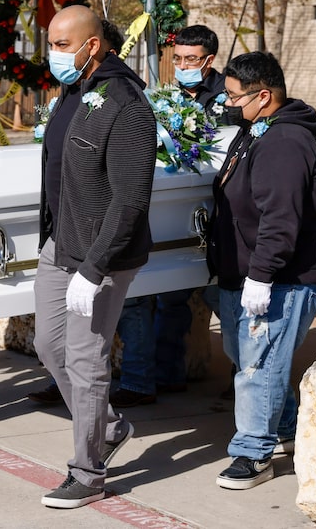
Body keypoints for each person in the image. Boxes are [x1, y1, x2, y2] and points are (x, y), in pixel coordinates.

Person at [33, 5, 157, 509]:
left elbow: (131, 196)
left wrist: (95, 267)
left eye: (63, 45)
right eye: (51, 43)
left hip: (99, 258)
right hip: (59, 245)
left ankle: (88, 472)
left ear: (92, 45)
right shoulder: (74, 91)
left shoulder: (126, 103)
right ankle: (107, 426)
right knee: (49, 346)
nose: (53, 54)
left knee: (86, 362)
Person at [208, 51, 316, 490]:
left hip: (281, 277)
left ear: (263, 96)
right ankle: (284, 428)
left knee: (258, 366)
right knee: (244, 356)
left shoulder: (284, 143)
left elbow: (280, 218)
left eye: (233, 97)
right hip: (244, 271)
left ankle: (253, 453)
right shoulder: (255, 131)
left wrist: (262, 274)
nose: (227, 104)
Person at [109, 24, 226, 409]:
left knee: (218, 301)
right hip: (171, 210)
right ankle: (161, 374)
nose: (182, 66)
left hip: (217, 214)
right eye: (177, 59)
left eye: (190, 60)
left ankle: (240, 375)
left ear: (209, 61)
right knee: (160, 296)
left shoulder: (229, 96)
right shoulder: (164, 97)